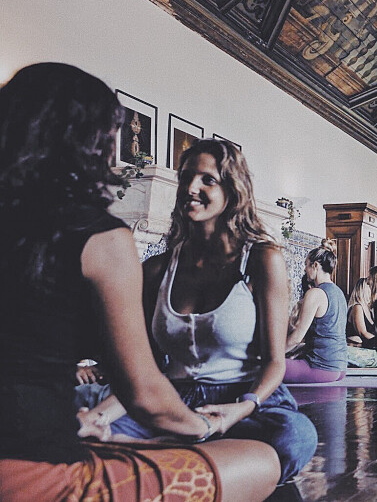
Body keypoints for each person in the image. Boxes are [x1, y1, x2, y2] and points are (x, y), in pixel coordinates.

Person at [0, 63, 279, 501]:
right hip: (33, 475)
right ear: (90, 143)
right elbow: (146, 393)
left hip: (223, 396)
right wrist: (206, 427)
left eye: (208, 179)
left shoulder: (260, 258)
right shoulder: (104, 240)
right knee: (262, 461)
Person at [78, 138, 317, 484]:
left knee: (294, 437)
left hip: (244, 398)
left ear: (232, 190)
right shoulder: (157, 270)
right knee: (77, 420)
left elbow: (274, 362)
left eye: (207, 179)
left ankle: (164, 454)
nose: (191, 187)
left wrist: (241, 408)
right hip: (171, 402)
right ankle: (202, 459)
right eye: (186, 177)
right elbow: (146, 369)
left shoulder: (263, 259)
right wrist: (99, 417)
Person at [284, 242, 347, 384]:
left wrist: (273, 356)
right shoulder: (339, 292)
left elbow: (296, 338)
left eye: (307, 265)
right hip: (340, 368)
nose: (305, 269)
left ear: (316, 266)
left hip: (320, 368)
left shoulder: (315, 293)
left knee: (262, 366)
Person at [346, 276, 375, 346]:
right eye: (371, 287)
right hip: (356, 347)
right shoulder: (357, 307)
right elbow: (363, 332)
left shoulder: (369, 309)